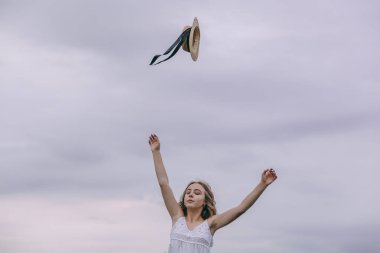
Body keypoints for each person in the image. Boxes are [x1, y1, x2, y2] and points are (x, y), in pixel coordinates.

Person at [148, 134, 277, 253]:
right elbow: (163, 184)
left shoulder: (210, 224)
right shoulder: (177, 217)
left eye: (197, 192)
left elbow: (240, 209)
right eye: (188, 192)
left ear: (204, 201)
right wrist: (156, 152)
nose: (190, 194)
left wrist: (262, 184)